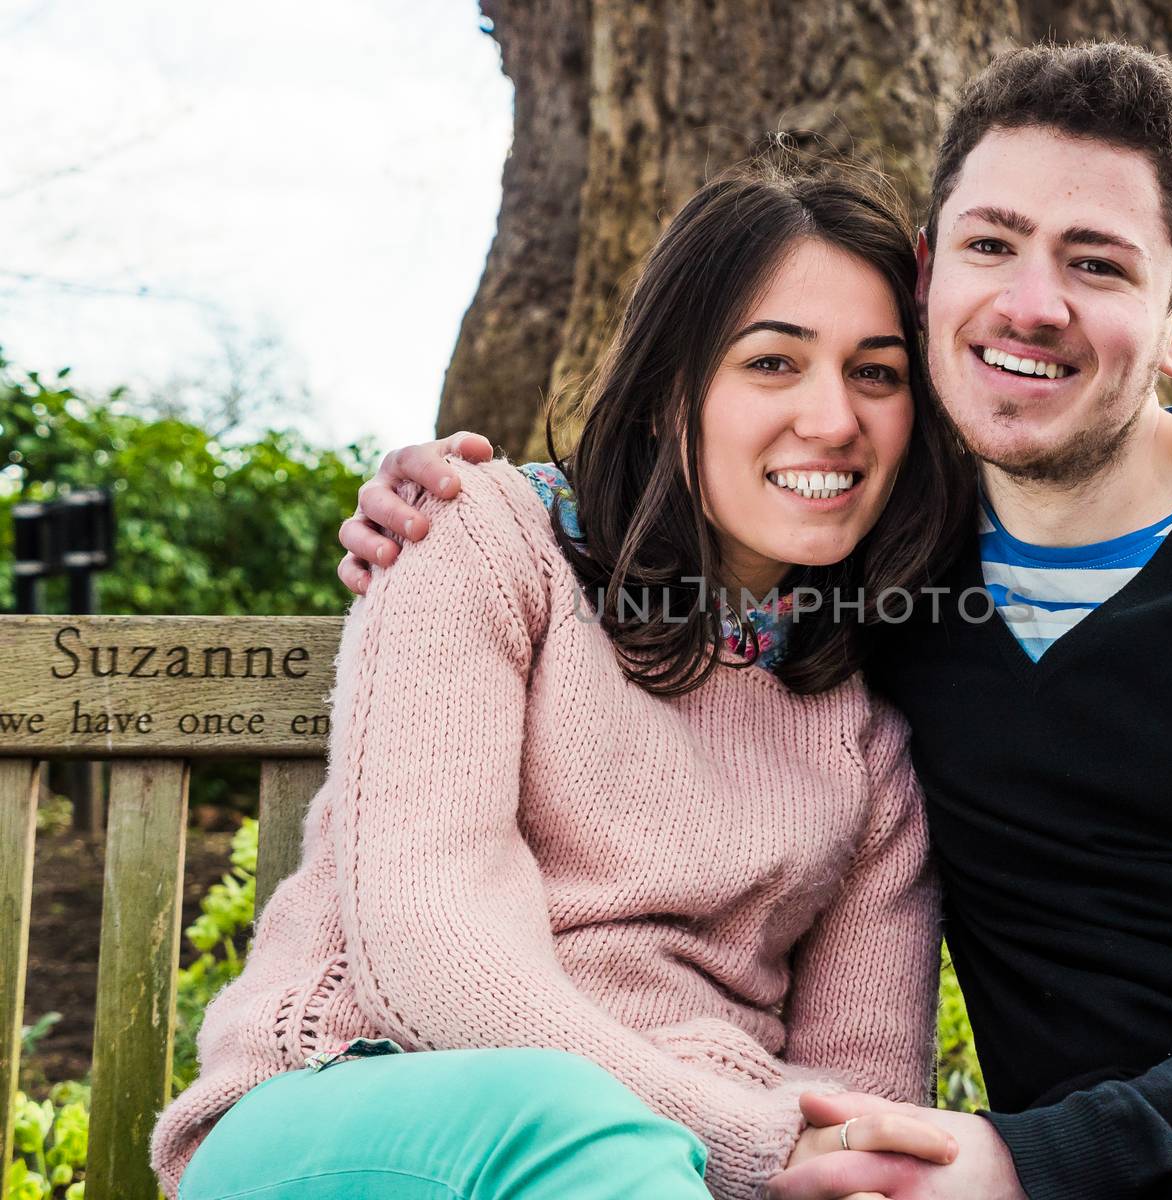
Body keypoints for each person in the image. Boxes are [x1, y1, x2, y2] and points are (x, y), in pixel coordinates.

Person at [340, 41, 1172, 1200]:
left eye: (1096, 263)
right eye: (992, 244)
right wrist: (456, 504)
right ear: (932, 276)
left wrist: (1040, 1163)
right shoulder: (880, 558)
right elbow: (655, 531)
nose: (1033, 301)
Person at [150, 159, 982, 1200]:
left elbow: (858, 1099)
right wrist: (749, 1136)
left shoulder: (867, 739)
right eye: (773, 363)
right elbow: (432, 948)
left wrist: (809, 1155)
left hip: (664, 1172)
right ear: (663, 394)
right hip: (358, 1107)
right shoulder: (482, 536)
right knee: (575, 1128)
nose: (832, 419)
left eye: (877, 372)